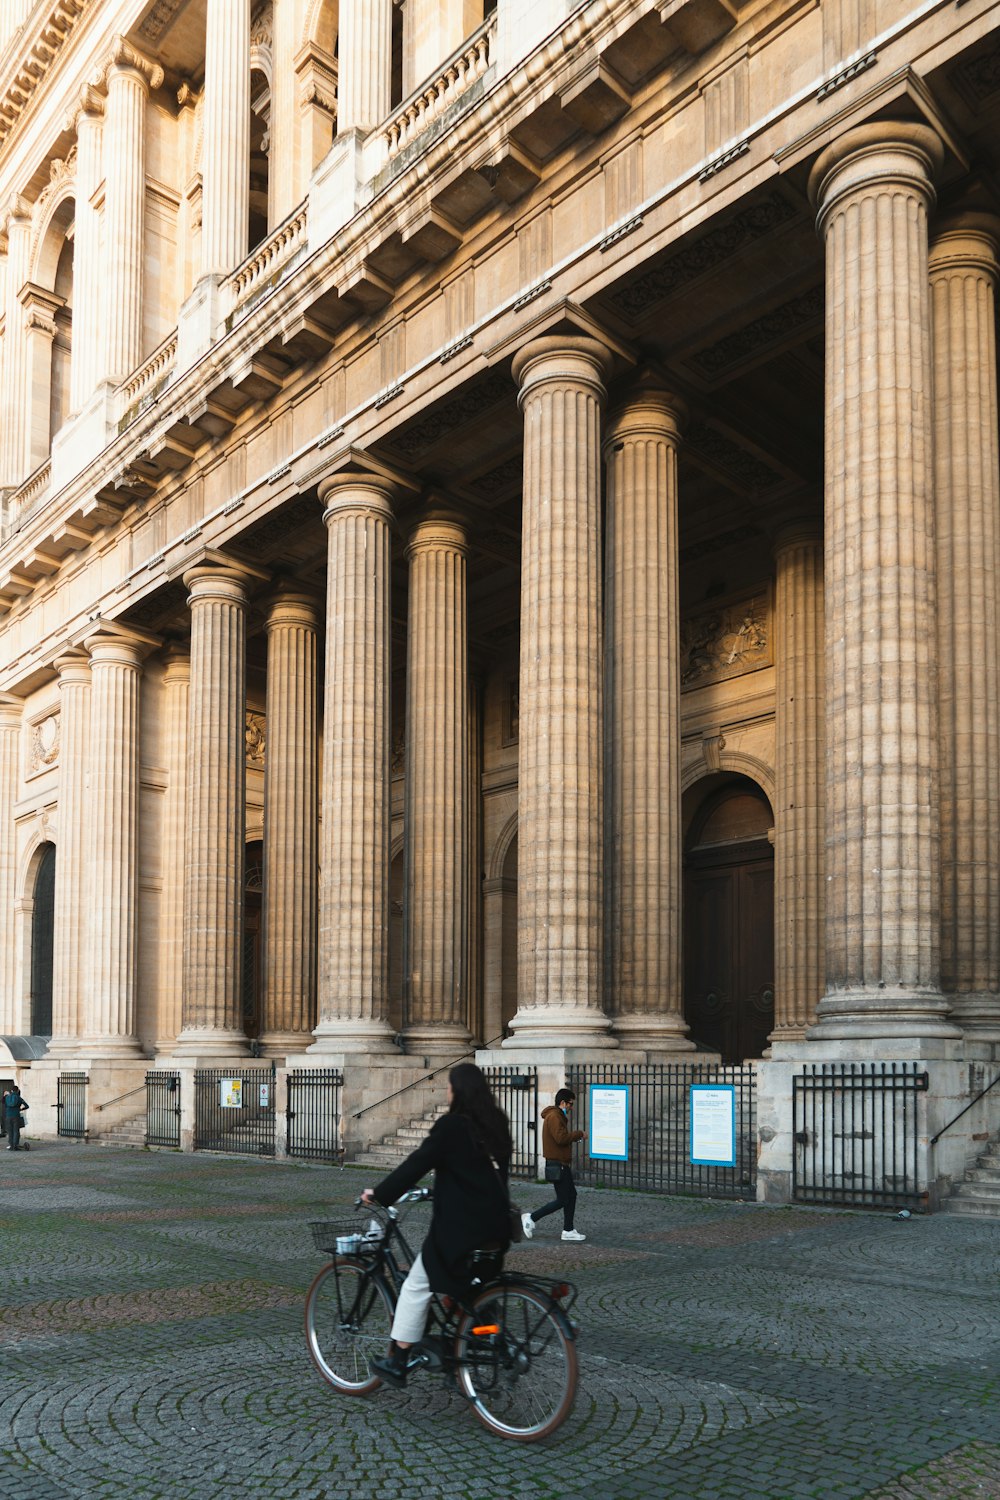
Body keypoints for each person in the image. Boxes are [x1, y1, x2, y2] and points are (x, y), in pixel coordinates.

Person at [361, 1062, 513, 1390]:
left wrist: (381, 1194)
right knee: (470, 1286)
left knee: (416, 1285)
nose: (446, 1092)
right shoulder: (498, 1123)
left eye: (449, 1087)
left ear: (457, 1091)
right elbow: (480, 1174)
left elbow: (415, 1165)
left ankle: (398, 1360)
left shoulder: (452, 1126)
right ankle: (474, 1332)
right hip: (498, 1230)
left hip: (462, 1231)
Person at [521, 1088, 586, 1242]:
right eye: (570, 1104)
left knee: (571, 1195)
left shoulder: (556, 1115)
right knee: (563, 1199)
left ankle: (568, 1230)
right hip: (558, 1164)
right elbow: (561, 1138)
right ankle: (531, 1217)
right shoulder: (555, 1116)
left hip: (562, 1163)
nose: (571, 1107)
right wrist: (579, 1134)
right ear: (563, 1102)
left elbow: (561, 1139)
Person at [3, 1084, 27, 1150]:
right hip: (16, 1116)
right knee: (16, 1131)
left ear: (11, 1090)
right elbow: (27, 1106)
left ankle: (11, 1145)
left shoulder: (7, 1097)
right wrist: (21, 1109)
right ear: (17, 1090)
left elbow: (4, 1104)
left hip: (8, 1116)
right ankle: (15, 1146)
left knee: (10, 1131)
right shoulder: (19, 1098)